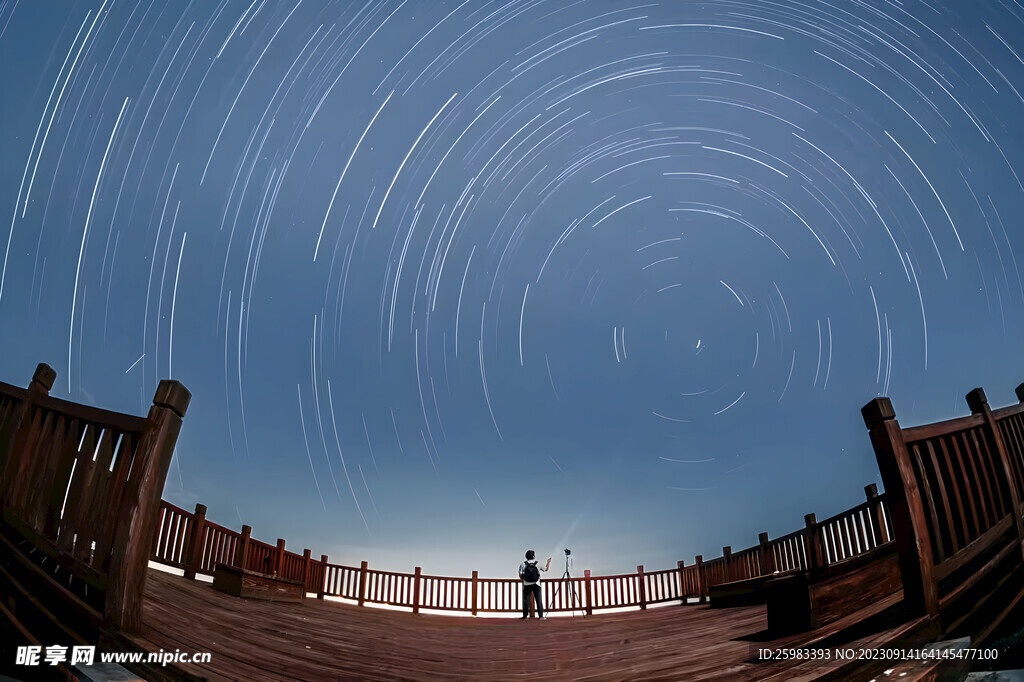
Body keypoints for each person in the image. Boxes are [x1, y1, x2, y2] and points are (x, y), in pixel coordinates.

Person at [518, 550, 551, 619]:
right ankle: (541, 616)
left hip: (526, 584)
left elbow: (520, 574)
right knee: (538, 600)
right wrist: (548, 562)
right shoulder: (537, 563)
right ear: (533, 556)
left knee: (526, 600)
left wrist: (523, 581)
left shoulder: (523, 564)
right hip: (536, 584)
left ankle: (525, 616)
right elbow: (546, 569)